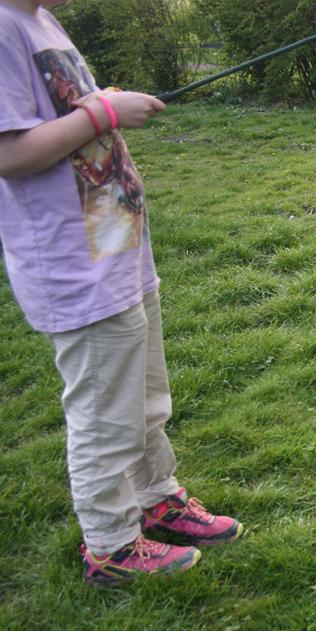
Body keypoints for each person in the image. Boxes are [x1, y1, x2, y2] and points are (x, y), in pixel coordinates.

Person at [0, 0, 242, 585]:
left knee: (144, 395)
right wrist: (105, 111)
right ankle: (109, 545)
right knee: (104, 413)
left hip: (116, 246)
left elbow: (57, 113)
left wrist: (96, 104)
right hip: (73, 264)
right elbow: (9, 154)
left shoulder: (38, 18)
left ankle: (156, 495)